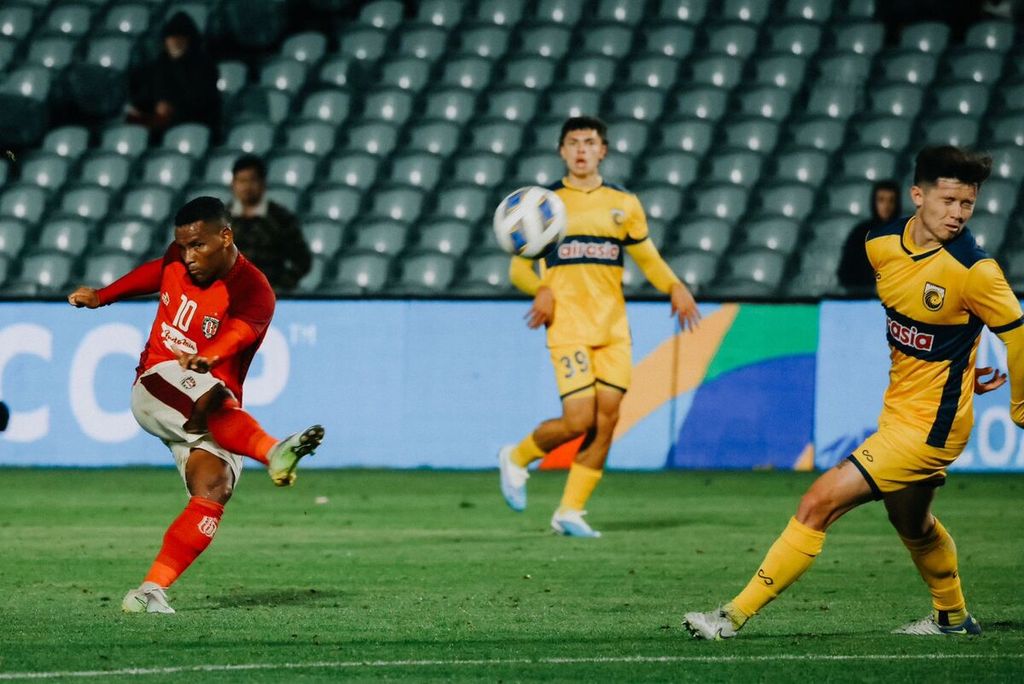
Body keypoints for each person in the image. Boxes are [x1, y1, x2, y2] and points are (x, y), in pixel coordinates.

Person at [683, 146, 1020, 639]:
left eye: (967, 205)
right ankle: (952, 617)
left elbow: (1019, 333)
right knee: (914, 525)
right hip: (902, 413)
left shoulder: (973, 269)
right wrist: (963, 373)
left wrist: (1021, 404)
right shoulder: (879, 243)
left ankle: (730, 617)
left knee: (818, 503)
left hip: (929, 429)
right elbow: (936, 335)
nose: (957, 214)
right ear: (917, 194)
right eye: (948, 200)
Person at [67, 196, 324, 614]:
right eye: (181, 246)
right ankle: (274, 452)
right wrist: (103, 296)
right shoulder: (177, 258)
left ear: (226, 237)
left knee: (214, 486)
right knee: (211, 395)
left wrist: (212, 356)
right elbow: (157, 270)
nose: (187, 257)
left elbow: (240, 333)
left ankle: (150, 590)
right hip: (157, 382)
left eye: (197, 246)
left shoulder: (254, 290)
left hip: (213, 407)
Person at [498, 116, 701, 538]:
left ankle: (569, 511)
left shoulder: (623, 203)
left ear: (603, 150)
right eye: (573, 142)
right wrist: (541, 289)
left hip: (613, 329)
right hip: (568, 326)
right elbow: (517, 269)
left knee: (606, 421)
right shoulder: (544, 204)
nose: (581, 150)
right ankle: (516, 457)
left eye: (589, 142)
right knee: (578, 420)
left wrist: (676, 286)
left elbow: (647, 258)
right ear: (562, 151)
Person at [127, 11, 221, 139]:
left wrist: (172, 108)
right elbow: (144, 100)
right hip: (159, 130)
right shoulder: (157, 68)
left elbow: (203, 102)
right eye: (171, 38)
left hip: (194, 128)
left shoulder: (204, 67)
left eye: (180, 39)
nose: (175, 43)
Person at [229, 154, 312, 292]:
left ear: (263, 183)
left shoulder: (280, 218)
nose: (247, 187)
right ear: (233, 184)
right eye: (242, 181)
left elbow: (302, 260)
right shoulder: (222, 218)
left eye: (252, 180)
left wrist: (280, 287)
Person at [837, 180, 901, 295]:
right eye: (881, 200)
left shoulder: (906, 233)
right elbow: (845, 272)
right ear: (874, 202)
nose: (886, 206)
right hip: (863, 299)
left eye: (891, 200)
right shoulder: (860, 234)